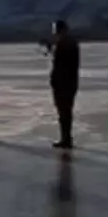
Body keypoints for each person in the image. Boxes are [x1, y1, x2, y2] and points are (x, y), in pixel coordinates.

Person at [46, 19, 80, 149]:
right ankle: (66, 138)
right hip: (69, 82)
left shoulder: (64, 43)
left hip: (64, 83)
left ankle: (66, 139)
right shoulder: (70, 42)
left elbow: (60, 63)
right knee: (66, 111)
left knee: (64, 111)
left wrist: (52, 49)